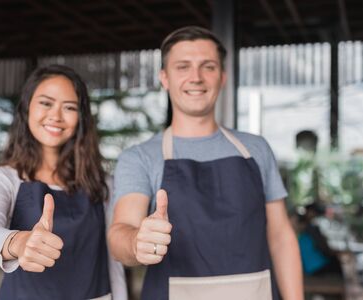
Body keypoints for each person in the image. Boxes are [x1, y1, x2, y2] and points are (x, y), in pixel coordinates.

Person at [108, 26, 303, 299]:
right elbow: (120, 233)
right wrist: (136, 242)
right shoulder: (140, 157)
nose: (196, 77)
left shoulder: (256, 149)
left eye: (208, 66)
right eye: (183, 66)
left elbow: (281, 236)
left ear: (222, 77)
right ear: (164, 77)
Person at [0, 64, 126, 300]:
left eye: (69, 107)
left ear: (81, 118)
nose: (56, 116)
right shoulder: (2, 179)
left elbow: (113, 263)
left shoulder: (102, 183)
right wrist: (20, 242)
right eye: (46, 103)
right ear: (27, 109)